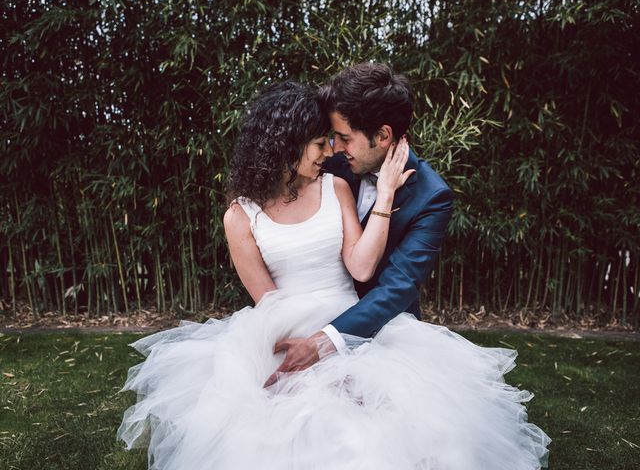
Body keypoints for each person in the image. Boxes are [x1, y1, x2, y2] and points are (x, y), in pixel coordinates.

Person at [117, 74, 551, 469]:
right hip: (290, 320)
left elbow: (394, 286)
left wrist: (329, 342)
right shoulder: (320, 171)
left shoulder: (427, 195)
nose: (332, 151)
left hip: (370, 322)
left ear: (382, 137)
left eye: (340, 138)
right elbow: (269, 302)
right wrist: (301, 347)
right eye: (325, 140)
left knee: (409, 432)